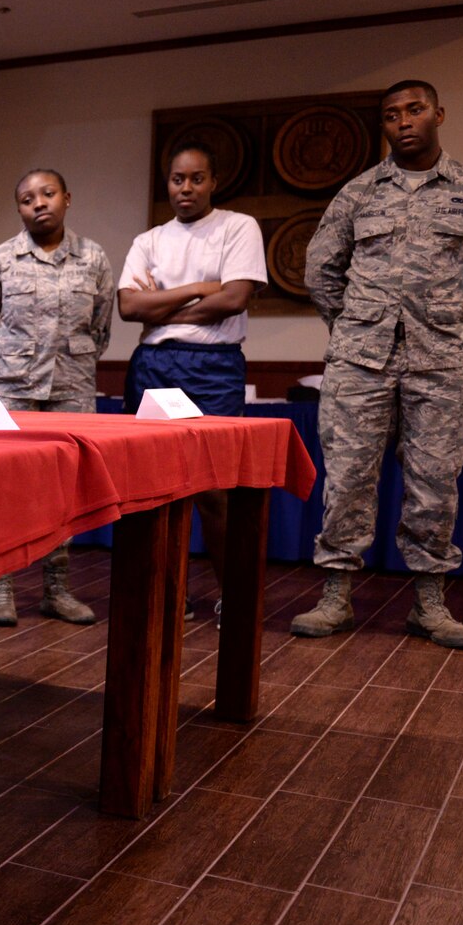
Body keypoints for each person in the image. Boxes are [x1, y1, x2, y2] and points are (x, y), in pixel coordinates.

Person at [292, 80, 463, 648]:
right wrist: (354, 327)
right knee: (347, 480)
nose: (404, 122)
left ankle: (430, 604)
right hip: (359, 363)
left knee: (435, 483)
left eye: (415, 110)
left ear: (439, 113)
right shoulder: (359, 193)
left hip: (438, 362)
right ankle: (336, 597)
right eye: (391, 115)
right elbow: (321, 269)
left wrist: (448, 324)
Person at [117, 143, 268, 614]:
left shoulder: (238, 227)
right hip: (154, 366)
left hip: (214, 366)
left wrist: (163, 307)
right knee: (150, 485)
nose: (186, 188)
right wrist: (203, 287)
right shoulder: (149, 241)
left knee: (215, 490)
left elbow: (236, 297)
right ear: (168, 183)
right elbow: (128, 308)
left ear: (213, 182)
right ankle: (167, 594)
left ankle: (232, 598)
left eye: (196, 178)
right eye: (178, 179)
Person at [0, 167, 115, 626]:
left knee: (63, 492)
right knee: (1, 488)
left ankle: (57, 588)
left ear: (67, 198)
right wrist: (13, 361)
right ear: (19, 209)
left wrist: (71, 363)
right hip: (10, 389)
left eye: (47, 194)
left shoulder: (94, 259)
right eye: (27, 199)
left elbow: (102, 327)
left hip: (72, 390)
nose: (39, 204)